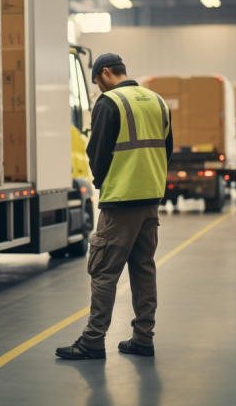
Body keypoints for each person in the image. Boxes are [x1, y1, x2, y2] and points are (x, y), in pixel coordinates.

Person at [55, 53, 173, 360]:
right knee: (143, 268)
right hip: (150, 199)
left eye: (98, 82)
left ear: (105, 73)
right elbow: (167, 148)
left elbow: (97, 152)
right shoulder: (157, 100)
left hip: (120, 200)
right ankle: (143, 338)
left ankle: (93, 340)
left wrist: (102, 180)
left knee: (103, 271)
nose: (99, 90)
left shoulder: (110, 103)